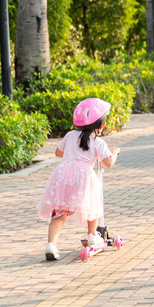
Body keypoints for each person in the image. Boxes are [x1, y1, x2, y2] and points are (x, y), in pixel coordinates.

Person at [38, 98, 120, 261]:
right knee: (92, 205)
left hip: (63, 175)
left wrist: (71, 153)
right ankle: (91, 235)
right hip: (83, 176)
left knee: (59, 212)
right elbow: (108, 163)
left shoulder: (70, 135)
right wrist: (114, 152)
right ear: (101, 125)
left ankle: (51, 245)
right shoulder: (98, 142)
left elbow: (58, 153)